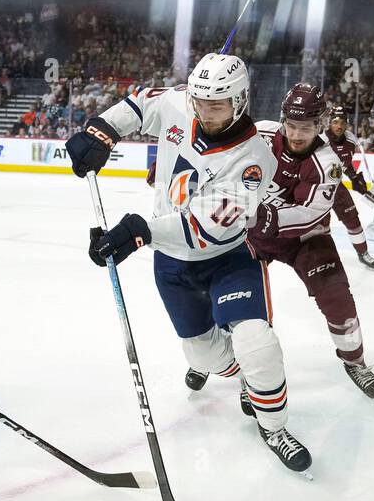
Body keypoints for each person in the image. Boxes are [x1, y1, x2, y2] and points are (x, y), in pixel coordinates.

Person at [65, 53, 312, 474]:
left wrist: (138, 230)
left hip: (227, 259)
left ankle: (274, 427)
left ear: (239, 102)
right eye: (200, 102)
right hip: (172, 266)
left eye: (215, 106)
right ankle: (240, 375)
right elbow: (142, 104)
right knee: (206, 357)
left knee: (257, 344)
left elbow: (205, 230)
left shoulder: (254, 160)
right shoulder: (184, 103)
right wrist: (102, 130)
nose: (205, 112)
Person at [250, 85, 374, 398]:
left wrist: (270, 217)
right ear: (283, 120)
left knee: (337, 295)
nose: (297, 135)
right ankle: (222, 360)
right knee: (236, 298)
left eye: (306, 128)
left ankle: (355, 361)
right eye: (292, 126)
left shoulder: (329, 163)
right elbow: (218, 158)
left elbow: (310, 214)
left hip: (305, 237)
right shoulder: (259, 134)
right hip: (253, 232)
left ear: (319, 126)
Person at [322, 105, 374, 269]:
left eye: (342, 122)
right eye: (335, 122)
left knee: (353, 219)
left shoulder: (350, 141)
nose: (339, 126)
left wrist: (354, 176)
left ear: (347, 123)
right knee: (322, 225)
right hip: (318, 188)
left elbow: (345, 164)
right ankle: (324, 258)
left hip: (338, 187)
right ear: (329, 123)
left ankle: (363, 254)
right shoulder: (319, 141)